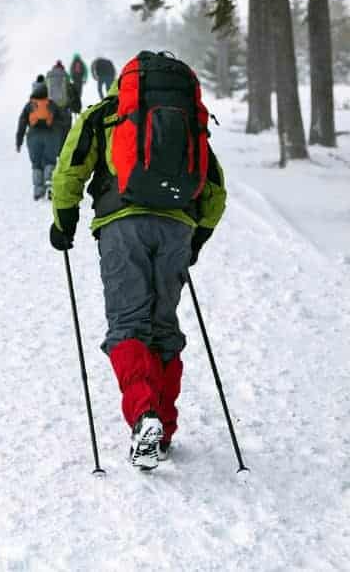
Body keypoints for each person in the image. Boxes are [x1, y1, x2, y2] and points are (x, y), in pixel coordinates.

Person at [48, 51, 227, 470]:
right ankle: (163, 428)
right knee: (163, 327)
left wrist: (64, 220)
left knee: (128, 324)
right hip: (177, 227)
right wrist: (196, 238)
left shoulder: (106, 113)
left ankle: (143, 416)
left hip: (121, 226)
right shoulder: (188, 119)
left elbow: (69, 168)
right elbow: (215, 189)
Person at [16, 75, 64, 201]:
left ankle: (38, 190)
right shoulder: (52, 104)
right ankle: (49, 185)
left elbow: (22, 123)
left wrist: (19, 141)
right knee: (50, 161)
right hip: (51, 136)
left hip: (33, 137)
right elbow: (62, 122)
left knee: (36, 164)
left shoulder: (29, 106)